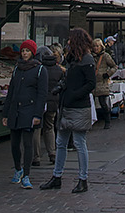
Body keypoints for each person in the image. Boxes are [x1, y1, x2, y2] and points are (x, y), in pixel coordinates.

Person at [41, 27, 96, 194]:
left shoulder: (87, 60)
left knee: (79, 143)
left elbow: (90, 83)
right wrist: (61, 87)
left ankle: (83, 179)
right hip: (66, 106)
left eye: (71, 39)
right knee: (61, 143)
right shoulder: (72, 59)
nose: (68, 42)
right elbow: (67, 78)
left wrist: (73, 94)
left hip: (78, 106)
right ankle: (57, 176)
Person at [4, 39, 46, 189]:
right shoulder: (17, 69)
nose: (25, 53)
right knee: (15, 144)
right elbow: (11, 92)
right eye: (23, 51)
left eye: (27, 51)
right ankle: (18, 169)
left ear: (33, 53)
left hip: (29, 111)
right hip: (15, 111)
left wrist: (37, 115)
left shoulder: (40, 70)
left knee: (28, 143)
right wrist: (5, 113)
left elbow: (42, 95)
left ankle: (26, 175)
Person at [37, 45, 63, 169]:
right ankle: (52, 152)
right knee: (50, 126)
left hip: (39, 102)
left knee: (36, 128)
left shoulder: (38, 69)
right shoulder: (58, 69)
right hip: (53, 101)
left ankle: (36, 157)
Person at [92, 37, 117, 129]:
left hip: (102, 82)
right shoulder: (90, 56)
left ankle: (107, 121)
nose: (96, 48)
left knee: (103, 103)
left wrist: (108, 74)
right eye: (94, 46)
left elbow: (114, 66)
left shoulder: (105, 56)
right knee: (91, 103)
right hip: (93, 83)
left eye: (97, 46)